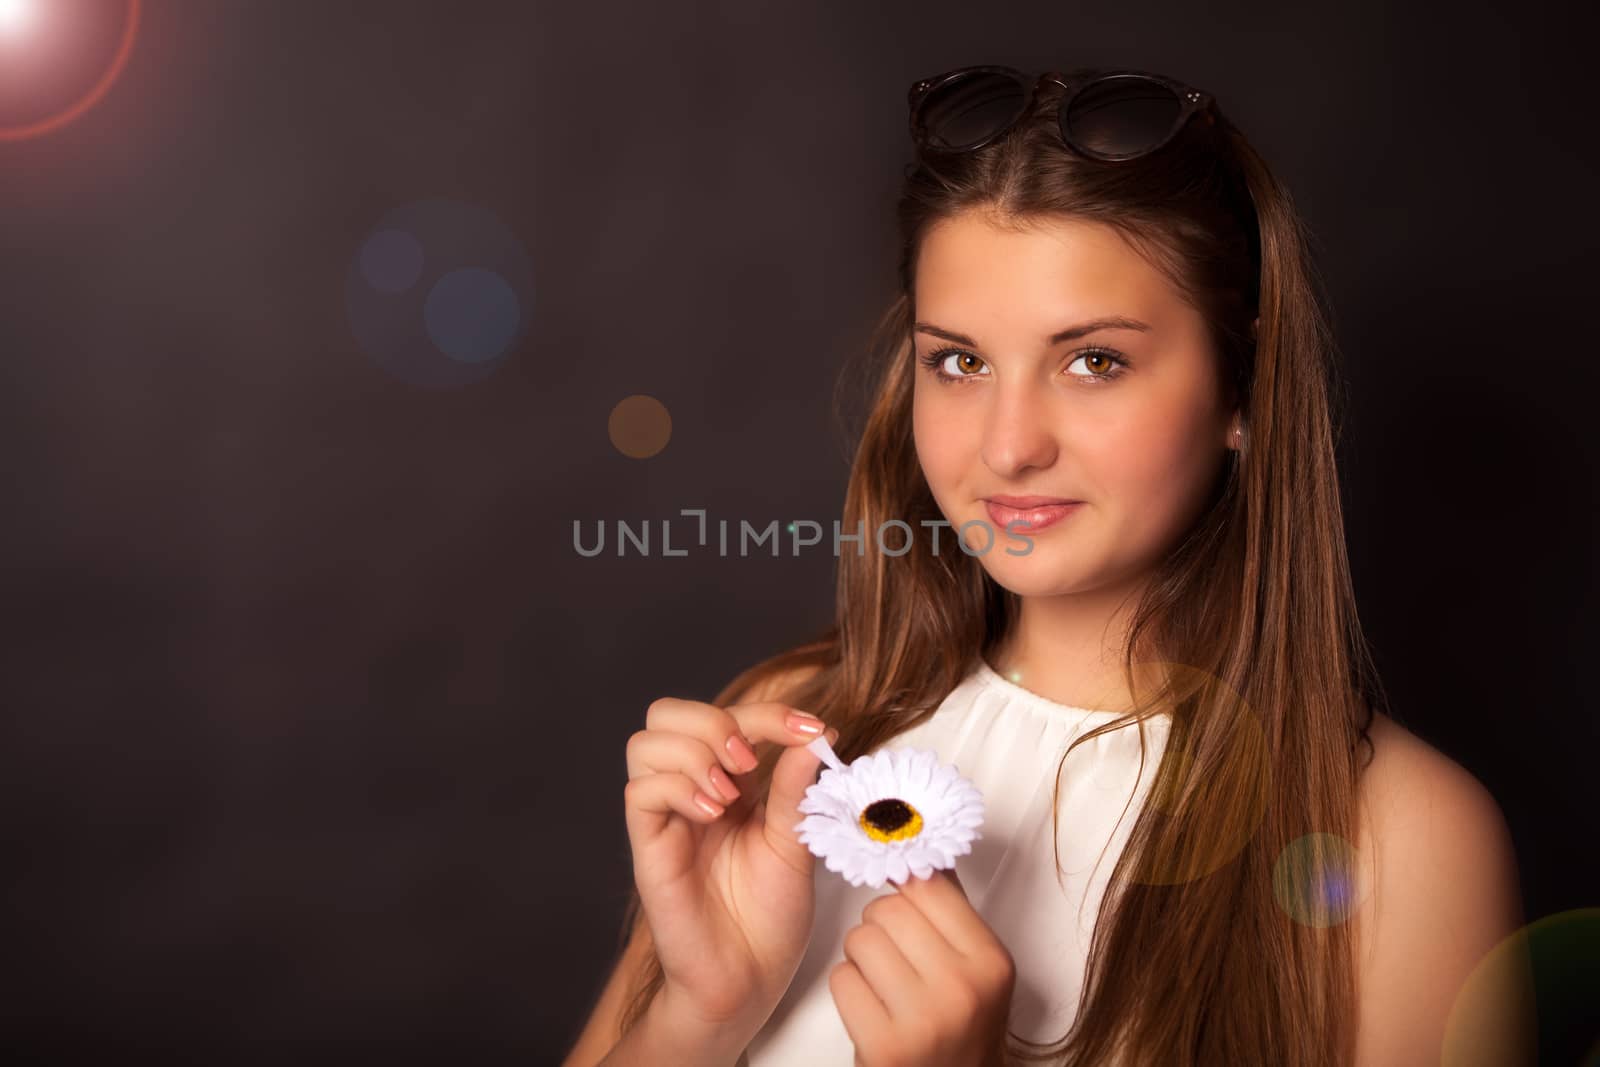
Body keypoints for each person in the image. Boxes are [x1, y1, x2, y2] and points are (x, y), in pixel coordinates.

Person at [562, 66, 1533, 1066]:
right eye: (961, 361)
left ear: (1239, 389)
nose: (1009, 445)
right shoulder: (797, 737)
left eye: (1093, 360)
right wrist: (701, 1013)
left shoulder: (1406, 840)